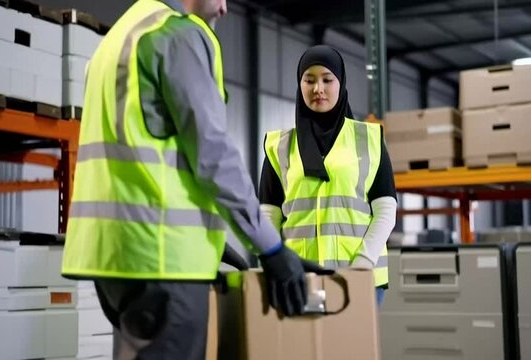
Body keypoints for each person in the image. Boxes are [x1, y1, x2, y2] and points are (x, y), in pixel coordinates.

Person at [61, 0, 309, 358]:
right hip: (163, 259)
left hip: (115, 259)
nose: (225, 8)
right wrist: (269, 247)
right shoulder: (178, 35)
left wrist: (211, 240)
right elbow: (212, 154)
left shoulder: (118, 37)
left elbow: (145, 154)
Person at [259, 45, 397, 305]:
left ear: (341, 83)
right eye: (309, 80)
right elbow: (268, 216)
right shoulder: (279, 146)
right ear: (299, 85)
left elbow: (386, 211)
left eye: (327, 79)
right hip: (299, 279)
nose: (318, 89)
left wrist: (362, 265)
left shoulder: (369, 139)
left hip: (360, 278)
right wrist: (278, 266)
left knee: (353, 347)